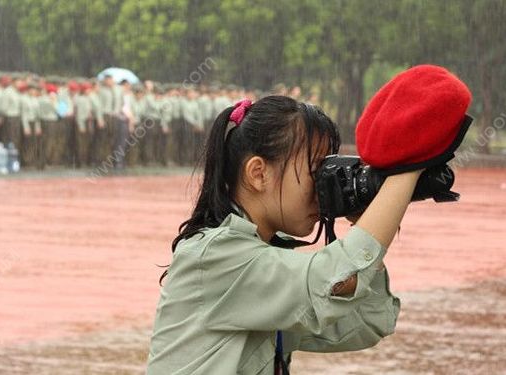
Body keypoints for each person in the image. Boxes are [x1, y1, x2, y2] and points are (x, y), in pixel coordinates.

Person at [147, 95, 422, 374]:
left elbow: (367, 323)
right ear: (258, 174)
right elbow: (338, 278)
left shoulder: (260, 262)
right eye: (316, 170)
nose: (322, 187)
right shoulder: (217, 256)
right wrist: (406, 172)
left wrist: (366, 216)